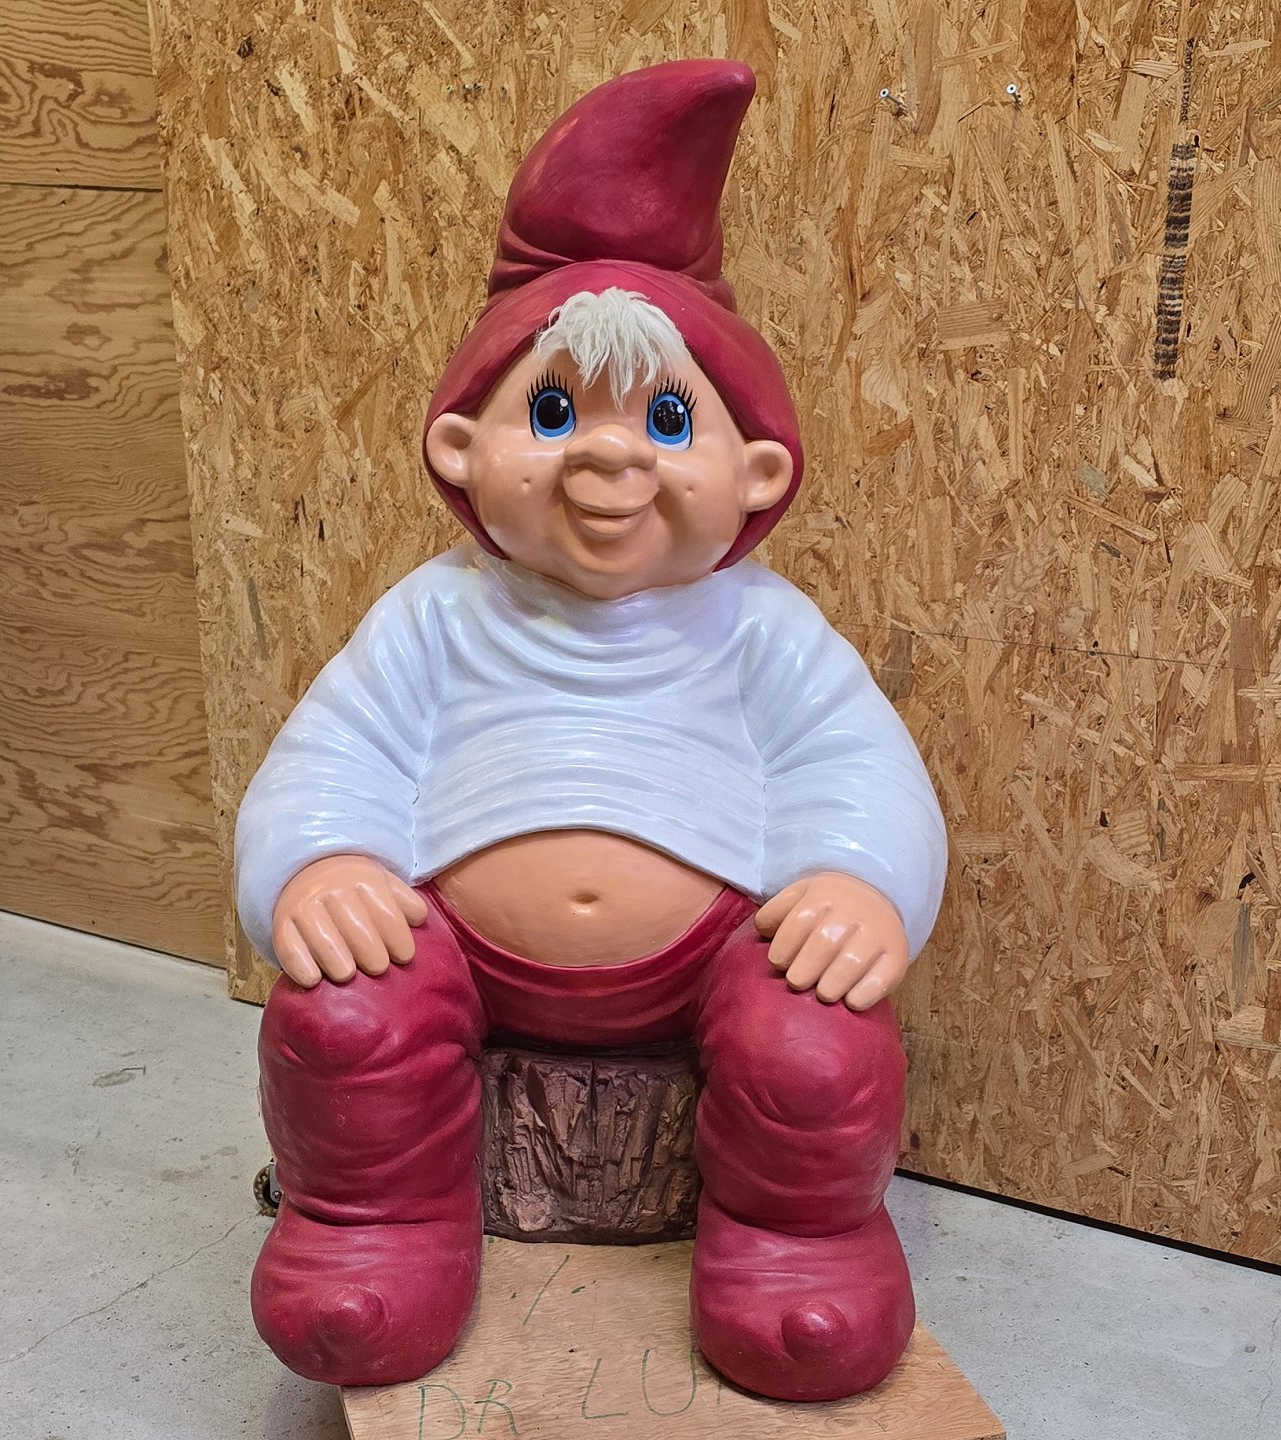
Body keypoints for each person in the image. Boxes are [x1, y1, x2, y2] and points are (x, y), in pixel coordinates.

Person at [235, 58, 947, 1403]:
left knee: (812, 1048)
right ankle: (369, 1227)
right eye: (554, 412)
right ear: (459, 448)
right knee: (343, 1023)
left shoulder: (761, 628)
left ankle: (797, 1246)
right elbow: (338, 752)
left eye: (667, 420)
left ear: (756, 476)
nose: (610, 459)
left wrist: (858, 880)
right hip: (457, 957)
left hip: (707, 962)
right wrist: (318, 865)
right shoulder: (437, 616)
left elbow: (853, 763)